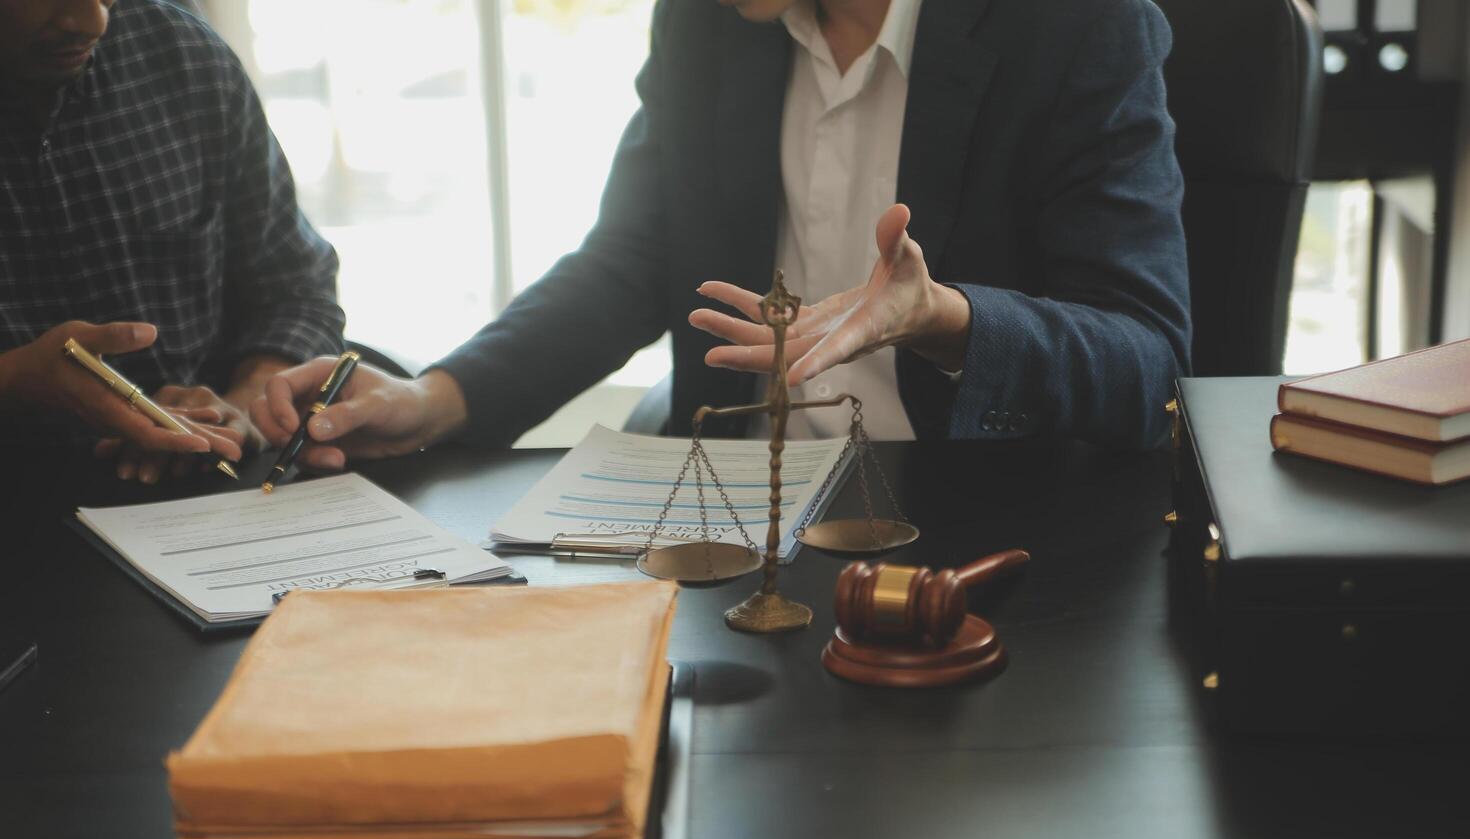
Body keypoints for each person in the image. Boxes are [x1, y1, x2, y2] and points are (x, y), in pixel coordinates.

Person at [255, 0, 1189, 470]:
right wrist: (438, 398)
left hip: (980, 537)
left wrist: (947, 319)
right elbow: (635, 260)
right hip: (742, 514)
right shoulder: (714, 21)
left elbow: (1148, 361)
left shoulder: (1079, 26)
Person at [0, 0, 345, 483]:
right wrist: (14, 381)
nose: (93, 21)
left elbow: (295, 286)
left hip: (215, 476)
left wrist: (245, 403)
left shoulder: (181, 55)